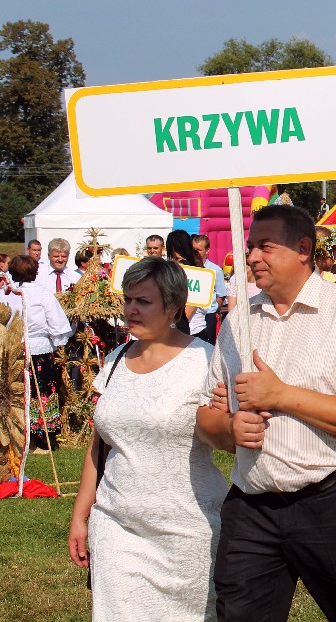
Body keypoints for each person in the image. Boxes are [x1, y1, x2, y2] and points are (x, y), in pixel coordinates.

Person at [196, 204, 336, 621]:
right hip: (251, 507)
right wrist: (230, 429)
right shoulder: (237, 323)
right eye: (250, 247)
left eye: (265, 247)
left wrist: (282, 395)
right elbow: (206, 420)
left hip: (333, 500)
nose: (251, 257)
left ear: (303, 249)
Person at [67, 256, 227, 620]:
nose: (131, 310)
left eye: (143, 301)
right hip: (117, 525)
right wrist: (81, 516)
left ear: (172, 306)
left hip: (188, 531)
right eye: (128, 299)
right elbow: (99, 446)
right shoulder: (113, 362)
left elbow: (226, 436)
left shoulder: (206, 362)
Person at [0, 255, 73, 449]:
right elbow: (57, 324)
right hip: (37, 350)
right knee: (39, 391)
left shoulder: (5, 293)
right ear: (34, 272)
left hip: (13, 350)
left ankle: (23, 432)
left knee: (17, 391)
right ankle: (42, 433)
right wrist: (57, 343)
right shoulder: (41, 294)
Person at [165, 230, 202, 338]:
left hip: (185, 330)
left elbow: (186, 313)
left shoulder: (191, 272)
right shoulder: (196, 270)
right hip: (187, 328)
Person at [193, 234, 228, 344]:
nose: (195, 252)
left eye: (198, 250)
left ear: (207, 250)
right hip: (192, 316)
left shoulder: (215, 270)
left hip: (208, 316)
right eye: (193, 249)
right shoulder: (189, 268)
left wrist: (213, 311)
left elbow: (221, 294)